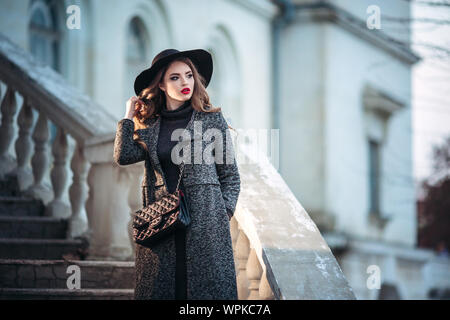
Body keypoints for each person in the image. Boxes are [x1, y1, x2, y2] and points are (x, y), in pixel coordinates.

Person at [113, 48, 241, 300]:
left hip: (205, 224)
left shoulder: (210, 120)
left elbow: (230, 175)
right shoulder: (150, 124)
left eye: (189, 75)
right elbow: (123, 156)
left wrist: (221, 213)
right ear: (160, 83)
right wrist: (128, 117)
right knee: (163, 289)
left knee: (205, 294)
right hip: (161, 222)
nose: (185, 82)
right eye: (175, 77)